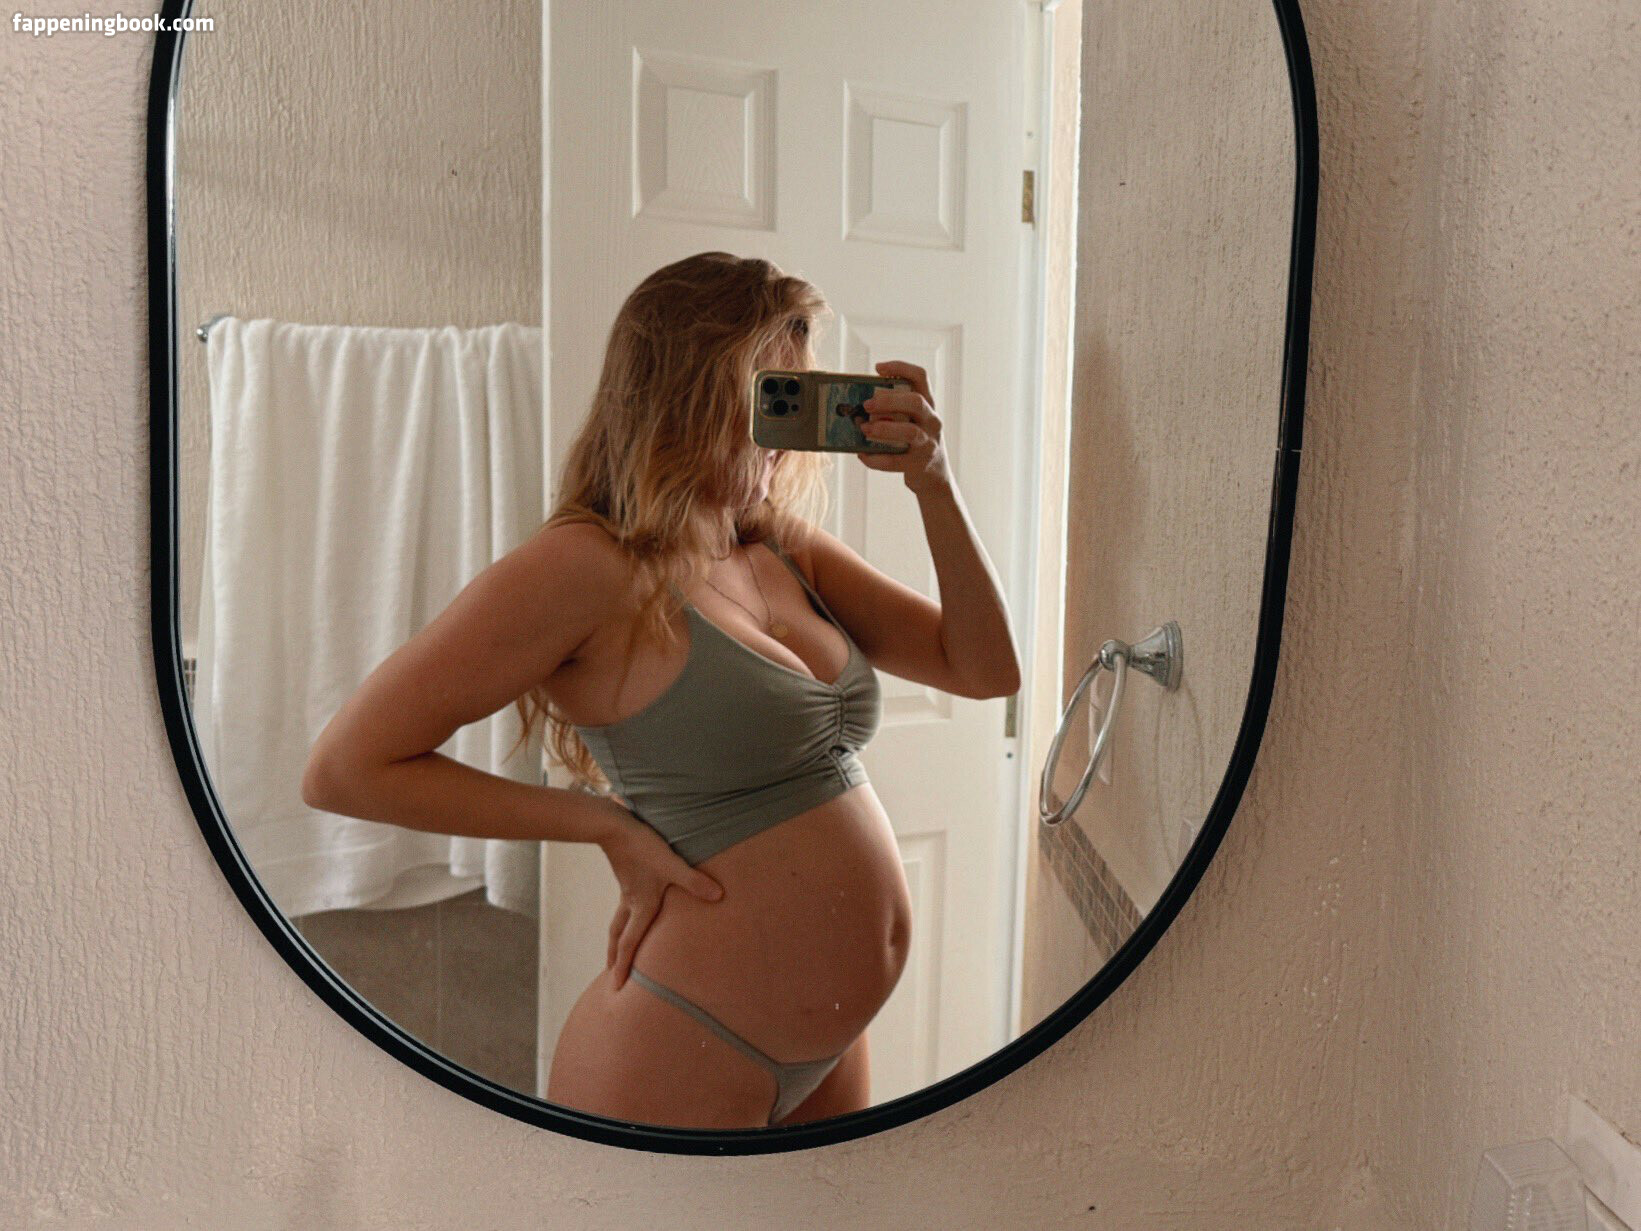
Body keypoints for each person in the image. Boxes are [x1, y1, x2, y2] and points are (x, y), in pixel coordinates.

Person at [301, 251, 1020, 1129]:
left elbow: (984, 670)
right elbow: (344, 768)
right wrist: (602, 824)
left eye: (795, 401)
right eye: (768, 399)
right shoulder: (586, 566)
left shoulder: (775, 545)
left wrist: (932, 482)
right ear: (688, 394)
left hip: (831, 1038)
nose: (782, 436)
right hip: (683, 1038)